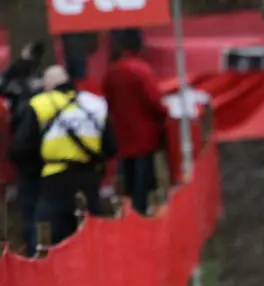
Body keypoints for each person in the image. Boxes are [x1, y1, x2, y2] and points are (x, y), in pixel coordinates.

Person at [10, 65, 116, 253]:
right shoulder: (96, 104)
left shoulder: (40, 104)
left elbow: (19, 150)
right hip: (89, 179)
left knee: (46, 242)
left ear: (47, 85)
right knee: (93, 240)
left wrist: (38, 166)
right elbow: (111, 147)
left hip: (54, 182)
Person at [102, 29, 168, 216]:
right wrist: (164, 117)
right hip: (145, 136)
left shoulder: (111, 72)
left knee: (127, 180)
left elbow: (108, 101)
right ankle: (140, 213)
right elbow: (154, 101)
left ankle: (127, 213)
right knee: (143, 180)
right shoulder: (141, 70)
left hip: (122, 136)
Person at [1, 41, 45, 251]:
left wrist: (20, 61)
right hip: (45, 150)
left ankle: (33, 243)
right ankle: (39, 243)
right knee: (39, 199)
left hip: (26, 151)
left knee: (30, 200)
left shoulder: (19, 89)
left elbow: (2, 83)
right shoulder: (42, 85)